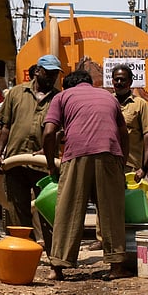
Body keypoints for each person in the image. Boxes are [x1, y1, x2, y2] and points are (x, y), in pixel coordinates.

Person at [42, 70, 133, 281]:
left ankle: (57, 267)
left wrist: (50, 165)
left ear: (68, 86)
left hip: (76, 154)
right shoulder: (108, 97)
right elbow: (123, 133)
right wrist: (121, 162)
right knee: (111, 210)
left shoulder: (62, 97)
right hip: (110, 153)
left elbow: (48, 133)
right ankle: (116, 267)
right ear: (89, 84)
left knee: (68, 209)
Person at [82, 64, 148, 251]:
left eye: (123, 79)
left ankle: (127, 239)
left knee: (128, 204)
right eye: (116, 79)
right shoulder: (106, 101)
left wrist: (145, 166)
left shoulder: (140, 104)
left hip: (131, 166)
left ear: (131, 82)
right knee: (103, 200)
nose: (119, 82)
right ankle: (102, 239)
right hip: (107, 161)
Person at [0, 54, 62, 245]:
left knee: (48, 209)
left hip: (45, 166)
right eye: (48, 73)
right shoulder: (16, 93)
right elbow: (5, 126)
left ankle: (53, 254)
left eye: (55, 74)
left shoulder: (59, 98)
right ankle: (25, 249)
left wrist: (47, 150)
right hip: (15, 160)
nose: (51, 77)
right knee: (17, 209)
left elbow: (60, 131)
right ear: (38, 71)